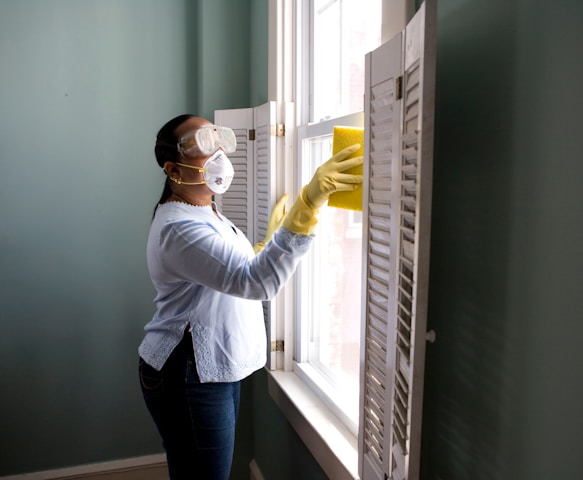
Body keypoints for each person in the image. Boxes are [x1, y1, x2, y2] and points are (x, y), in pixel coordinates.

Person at [138, 114, 363, 480]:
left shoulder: (205, 210)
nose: (219, 151)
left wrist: (265, 244)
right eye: (202, 143)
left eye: (218, 137)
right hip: (187, 370)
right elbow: (256, 283)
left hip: (208, 368)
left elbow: (225, 270)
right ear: (173, 169)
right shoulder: (179, 226)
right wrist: (307, 206)